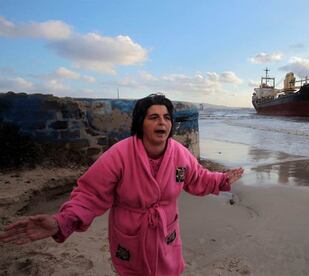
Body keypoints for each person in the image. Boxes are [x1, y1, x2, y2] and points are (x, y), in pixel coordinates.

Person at [0, 94, 244, 276]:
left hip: (166, 233)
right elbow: (90, 194)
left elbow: (197, 178)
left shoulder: (179, 154)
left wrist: (221, 180)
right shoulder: (119, 154)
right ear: (141, 123)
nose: (162, 122)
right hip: (131, 236)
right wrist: (60, 222)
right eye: (154, 117)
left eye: (167, 117)